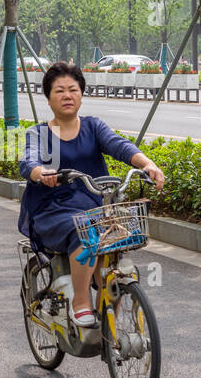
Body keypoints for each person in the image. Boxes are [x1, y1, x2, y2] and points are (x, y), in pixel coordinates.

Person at [18, 62, 165, 328]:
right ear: (49, 98)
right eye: (59, 90)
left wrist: (146, 164)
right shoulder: (38, 134)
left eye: (73, 89)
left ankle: (107, 318)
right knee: (85, 229)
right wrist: (42, 172)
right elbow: (27, 162)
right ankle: (81, 302)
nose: (67, 95)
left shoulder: (93, 127)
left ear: (81, 95)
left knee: (120, 238)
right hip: (53, 211)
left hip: (93, 207)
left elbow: (119, 145)